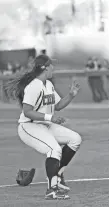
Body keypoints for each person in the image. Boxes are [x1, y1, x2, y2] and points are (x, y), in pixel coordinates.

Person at [4, 54, 82, 200]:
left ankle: (57, 177)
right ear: (45, 68)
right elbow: (27, 112)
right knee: (54, 149)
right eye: (51, 65)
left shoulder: (48, 84)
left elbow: (57, 106)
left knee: (75, 139)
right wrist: (50, 118)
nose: (53, 67)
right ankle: (51, 190)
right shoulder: (34, 86)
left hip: (45, 125)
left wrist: (71, 95)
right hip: (29, 127)